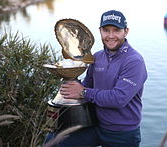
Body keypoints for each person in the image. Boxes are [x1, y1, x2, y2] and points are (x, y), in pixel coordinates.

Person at [44, 10, 148, 147]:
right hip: (95, 126)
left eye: (116, 30)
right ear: (100, 31)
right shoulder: (97, 57)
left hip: (122, 134)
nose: (111, 36)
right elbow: (87, 86)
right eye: (106, 30)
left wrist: (83, 92)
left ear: (126, 31)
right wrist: (69, 86)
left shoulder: (134, 61)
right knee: (54, 141)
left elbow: (118, 99)